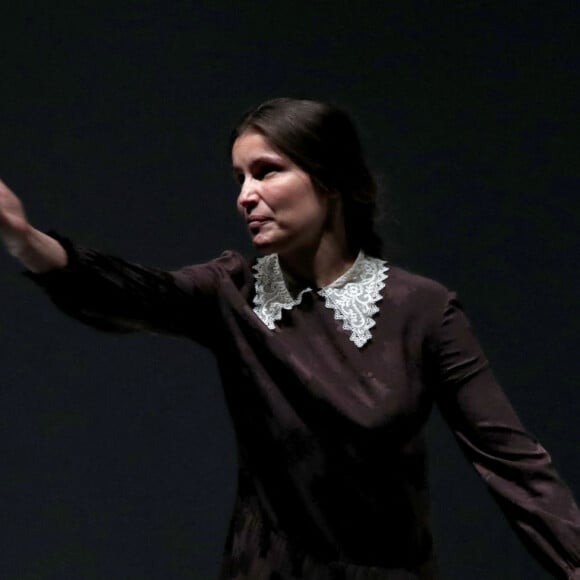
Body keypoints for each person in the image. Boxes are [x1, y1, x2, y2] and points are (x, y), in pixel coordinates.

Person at [1, 98, 579, 580]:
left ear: (329, 181)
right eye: (239, 178)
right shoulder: (232, 290)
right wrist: (25, 238)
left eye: (266, 170)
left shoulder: (421, 309)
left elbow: (514, 464)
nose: (245, 195)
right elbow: (128, 292)